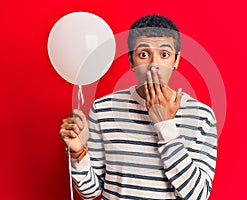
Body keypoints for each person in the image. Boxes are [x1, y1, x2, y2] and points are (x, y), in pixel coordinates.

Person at [59, 14, 217, 200]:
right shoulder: (103, 110)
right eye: (143, 54)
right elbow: (90, 191)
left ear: (176, 60)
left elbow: (198, 195)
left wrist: (165, 126)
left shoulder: (202, 116)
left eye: (164, 55)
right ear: (131, 60)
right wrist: (78, 151)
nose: (154, 65)